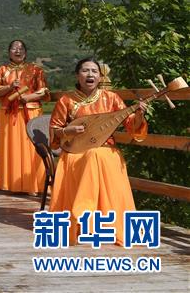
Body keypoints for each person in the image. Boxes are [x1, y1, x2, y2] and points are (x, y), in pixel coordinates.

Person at [48, 58, 148, 246]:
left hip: (105, 148)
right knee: (92, 155)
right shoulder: (66, 101)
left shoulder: (111, 98)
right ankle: (85, 221)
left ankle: (89, 216)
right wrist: (67, 131)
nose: (90, 74)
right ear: (78, 75)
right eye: (85, 71)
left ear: (100, 77)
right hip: (75, 151)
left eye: (94, 71)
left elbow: (130, 125)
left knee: (96, 155)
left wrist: (140, 114)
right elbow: (54, 134)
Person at [0, 39, 49, 194]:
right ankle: (13, 184)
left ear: (26, 52)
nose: (18, 51)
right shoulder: (2, 70)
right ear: (9, 52)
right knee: (12, 148)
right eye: (14, 48)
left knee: (32, 148)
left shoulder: (35, 70)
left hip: (31, 112)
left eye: (21, 48)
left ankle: (34, 185)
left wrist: (29, 98)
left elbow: (44, 91)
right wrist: (9, 87)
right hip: (9, 113)